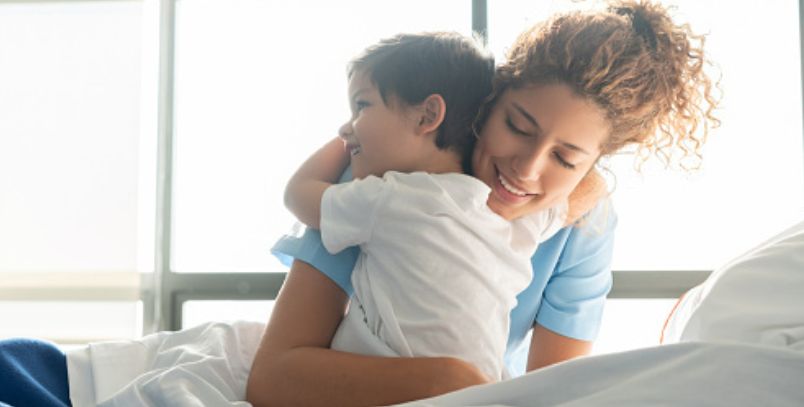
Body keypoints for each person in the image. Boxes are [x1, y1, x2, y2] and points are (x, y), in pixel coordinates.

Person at [247, 1, 718, 406]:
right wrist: (453, 381)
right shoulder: (384, 182)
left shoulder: (581, 221)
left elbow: (549, 390)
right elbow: (272, 380)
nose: (527, 169)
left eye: (565, 157)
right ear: (487, 103)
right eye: (517, 126)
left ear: (593, 164)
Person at [284, 32, 568, 382]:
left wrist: (346, 144)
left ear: (427, 115)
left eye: (361, 106)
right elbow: (569, 201)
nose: (346, 127)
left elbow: (298, 194)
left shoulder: (389, 198)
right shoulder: (511, 219)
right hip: (485, 389)